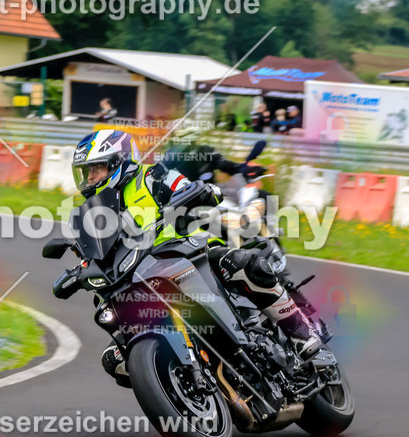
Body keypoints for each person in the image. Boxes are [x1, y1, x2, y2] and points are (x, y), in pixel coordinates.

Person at [68, 130, 322, 384]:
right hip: (142, 276)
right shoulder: (96, 215)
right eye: (86, 172)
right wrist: (78, 272)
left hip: (191, 251)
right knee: (114, 360)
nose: (89, 178)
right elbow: (95, 254)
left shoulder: (152, 177)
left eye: (95, 169)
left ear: (118, 161)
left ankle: (300, 331)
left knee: (243, 264)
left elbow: (186, 187)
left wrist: (194, 192)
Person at [159, 127, 264, 185]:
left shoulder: (207, 151)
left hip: (208, 199)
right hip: (178, 202)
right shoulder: (170, 157)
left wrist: (248, 169)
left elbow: (226, 165)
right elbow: (158, 178)